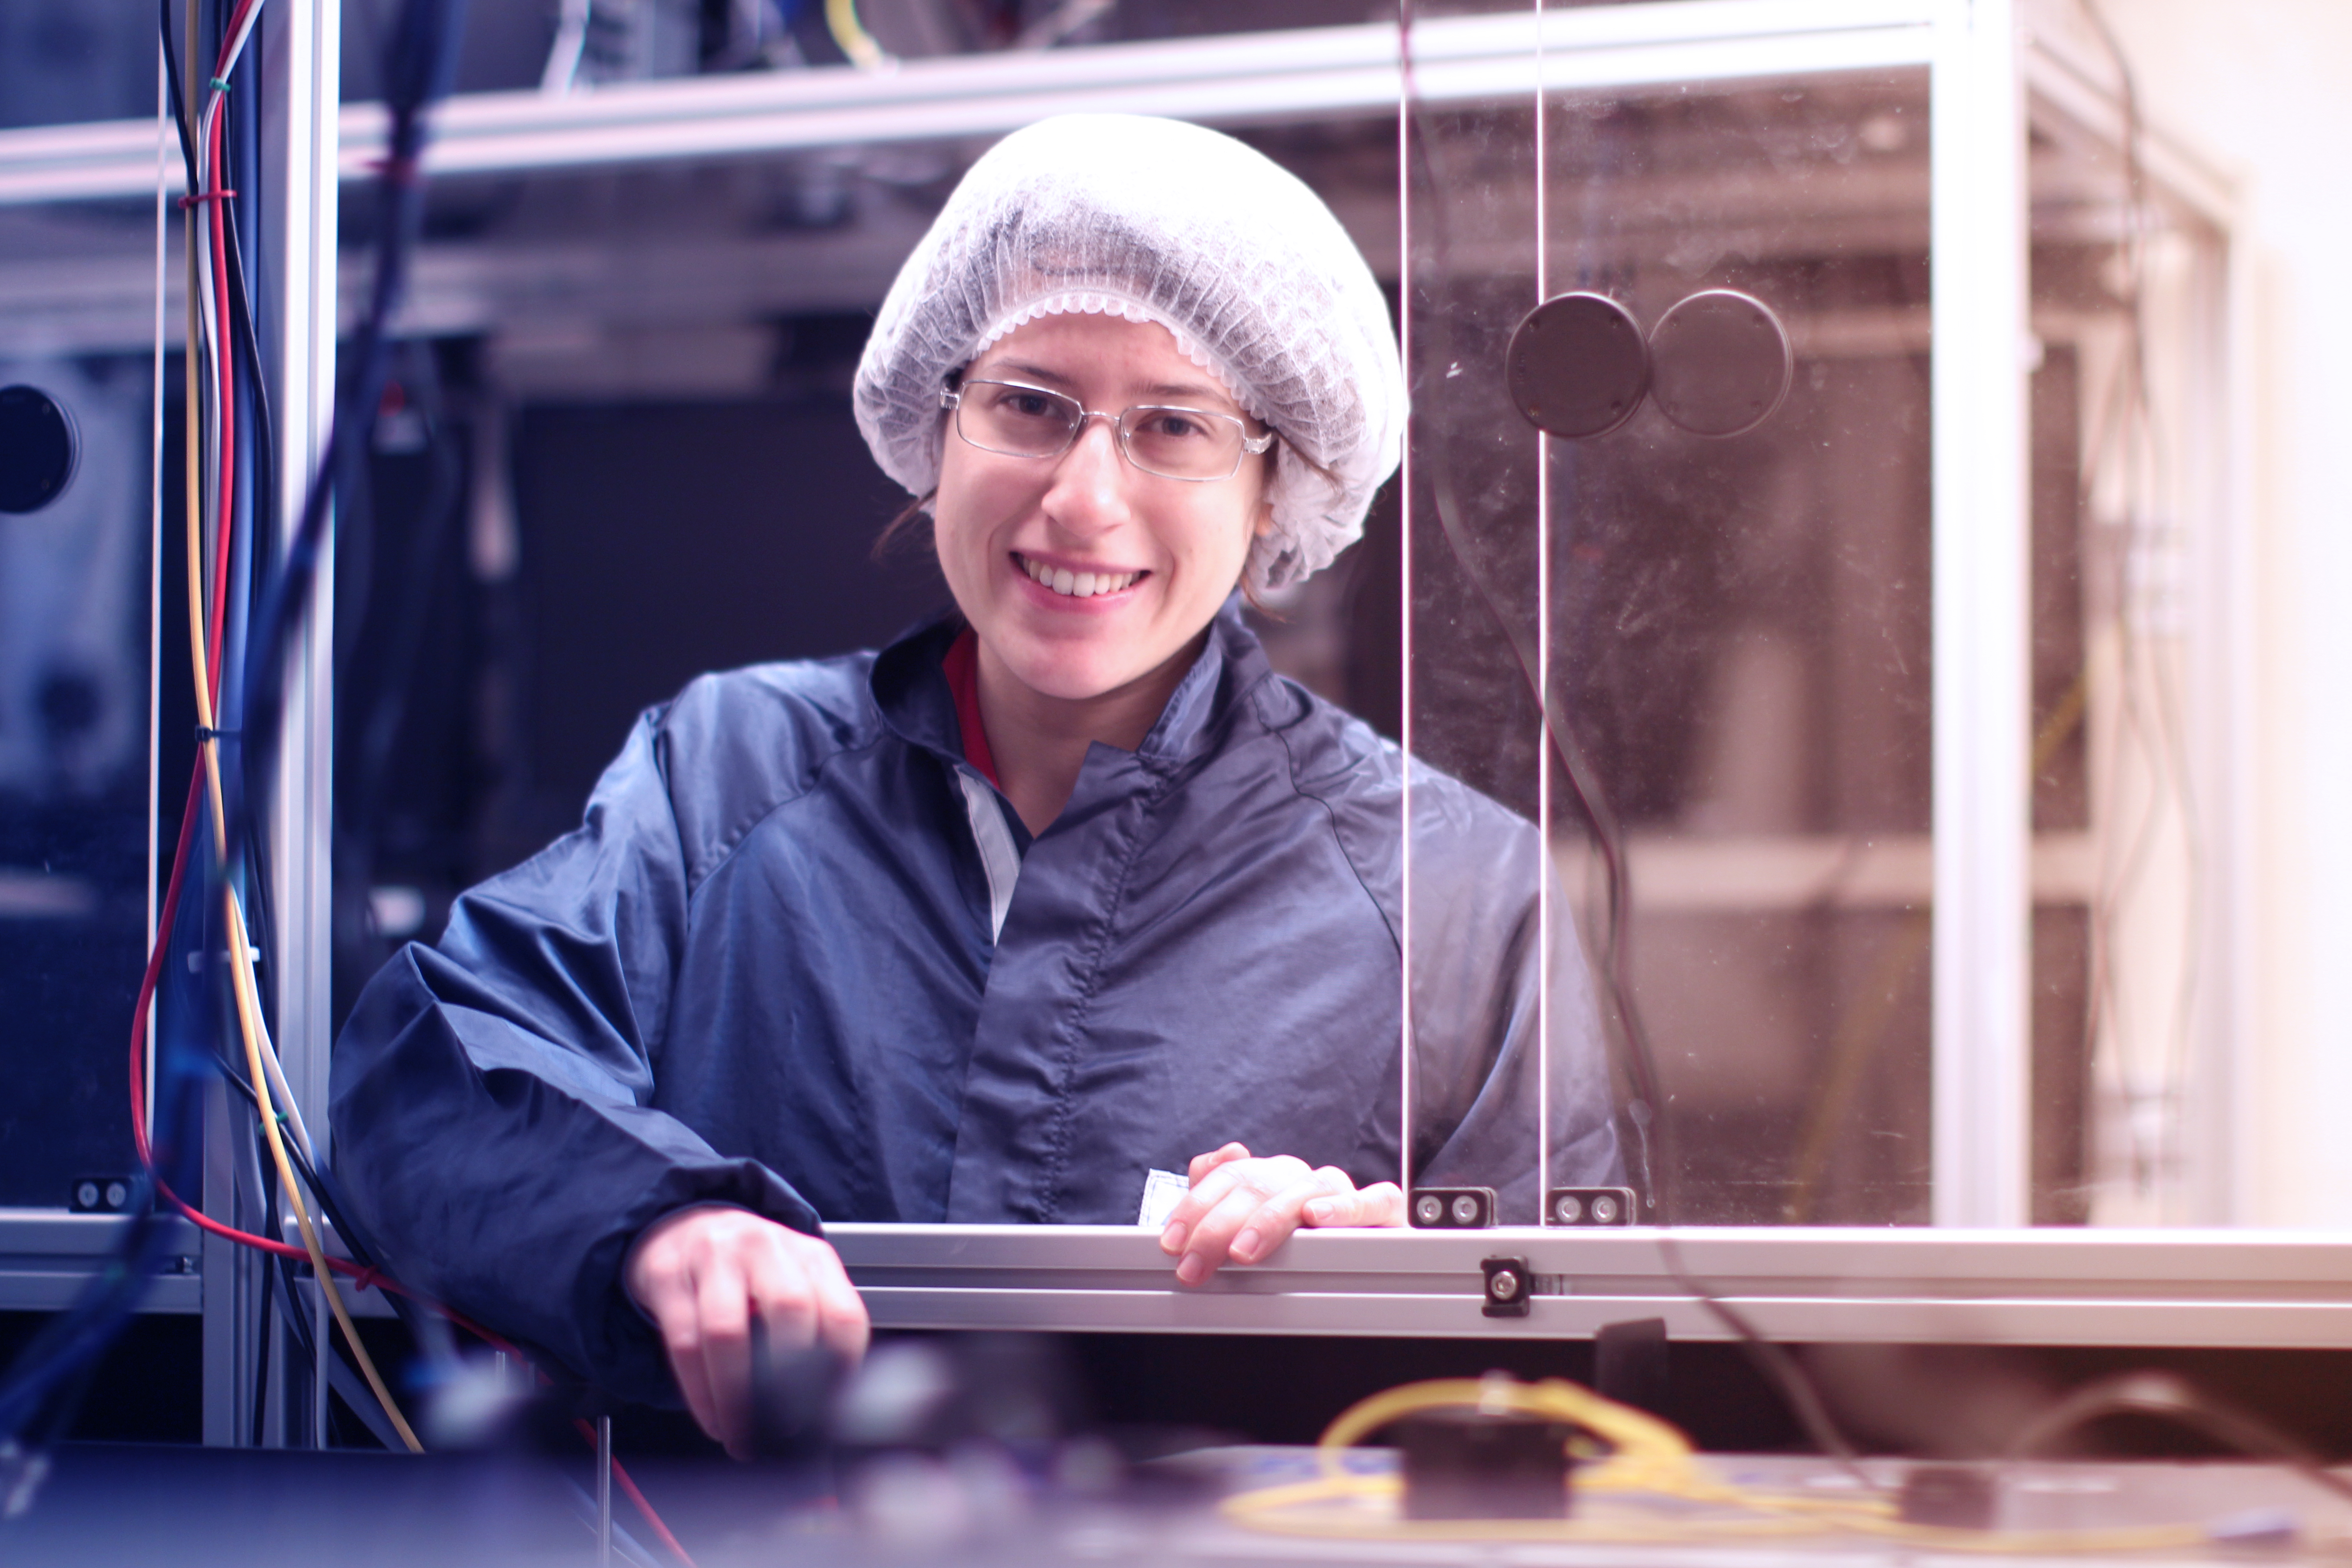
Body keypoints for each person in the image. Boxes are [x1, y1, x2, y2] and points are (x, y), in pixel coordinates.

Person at [329, 113, 1622, 1456]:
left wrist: (1400, 1264)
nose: (1082, 497)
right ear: (937, 421)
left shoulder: (1457, 891)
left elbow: (1584, 1370)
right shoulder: (723, 777)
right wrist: (660, 1217)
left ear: (1276, 486)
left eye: (1174, 425)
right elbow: (431, 1078)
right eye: (1029, 404)